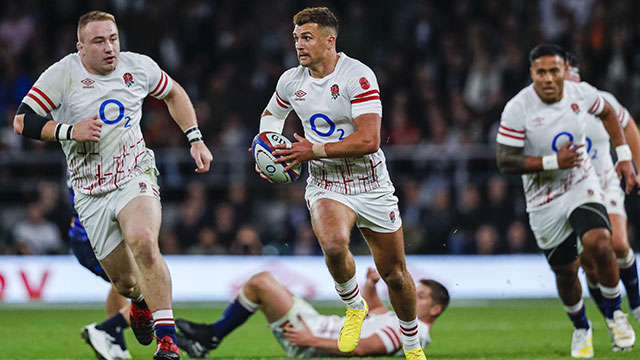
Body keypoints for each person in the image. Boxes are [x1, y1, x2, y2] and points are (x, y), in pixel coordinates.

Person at [12, 10, 213, 360]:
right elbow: (21, 121)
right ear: (81, 48)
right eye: (99, 41)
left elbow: (174, 93)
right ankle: (138, 305)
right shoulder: (63, 75)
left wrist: (194, 138)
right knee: (125, 283)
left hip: (135, 173)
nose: (110, 48)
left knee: (145, 243)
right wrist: (68, 131)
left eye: (113, 39)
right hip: (90, 192)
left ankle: (168, 344)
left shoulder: (138, 67)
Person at [254, 7, 425, 359]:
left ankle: (411, 344)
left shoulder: (358, 76)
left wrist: (311, 149)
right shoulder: (291, 81)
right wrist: (269, 150)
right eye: (296, 38)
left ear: (330, 40)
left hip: (370, 182)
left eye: (307, 37)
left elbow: (369, 140)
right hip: (326, 182)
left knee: (394, 274)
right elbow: (272, 115)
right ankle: (354, 306)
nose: (299, 45)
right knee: (333, 244)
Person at [496, 43, 637, 358]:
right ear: (532, 73)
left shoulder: (581, 93)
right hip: (542, 197)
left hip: (580, 182)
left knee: (601, 242)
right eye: (541, 72)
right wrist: (551, 163)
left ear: (563, 72)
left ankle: (616, 315)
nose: (547, 78)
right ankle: (581, 327)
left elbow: (609, 113)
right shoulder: (518, 107)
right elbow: (505, 160)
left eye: (553, 71)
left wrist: (624, 156)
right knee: (565, 271)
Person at [174, 268, 449, 358]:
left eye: (420, 296)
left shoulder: (414, 332)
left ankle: (210, 337)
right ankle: (208, 338)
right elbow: (375, 309)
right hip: (317, 324)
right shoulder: (399, 320)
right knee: (261, 282)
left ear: (435, 309)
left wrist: (310, 340)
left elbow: (364, 347)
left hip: (314, 336)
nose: (411, 296)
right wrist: (371, 284)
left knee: (261, 283)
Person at [564, 54, 640, 343]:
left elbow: (628, 125)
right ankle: (613, 318)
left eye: (568, 73)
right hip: (572, 191)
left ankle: (636, 304)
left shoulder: (598, 99)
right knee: (589, 261)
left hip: (605, 182)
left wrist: (634, 164)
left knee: (619, 244)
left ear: (576, 75)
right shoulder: (546, 110)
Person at [64, 181, 132, 360]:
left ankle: (116, 344)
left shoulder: (78, 156)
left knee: (120, 284)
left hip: (83, 237)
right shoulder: (101, 160)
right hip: (97, 240)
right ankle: (105, 330)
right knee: (154, 287)